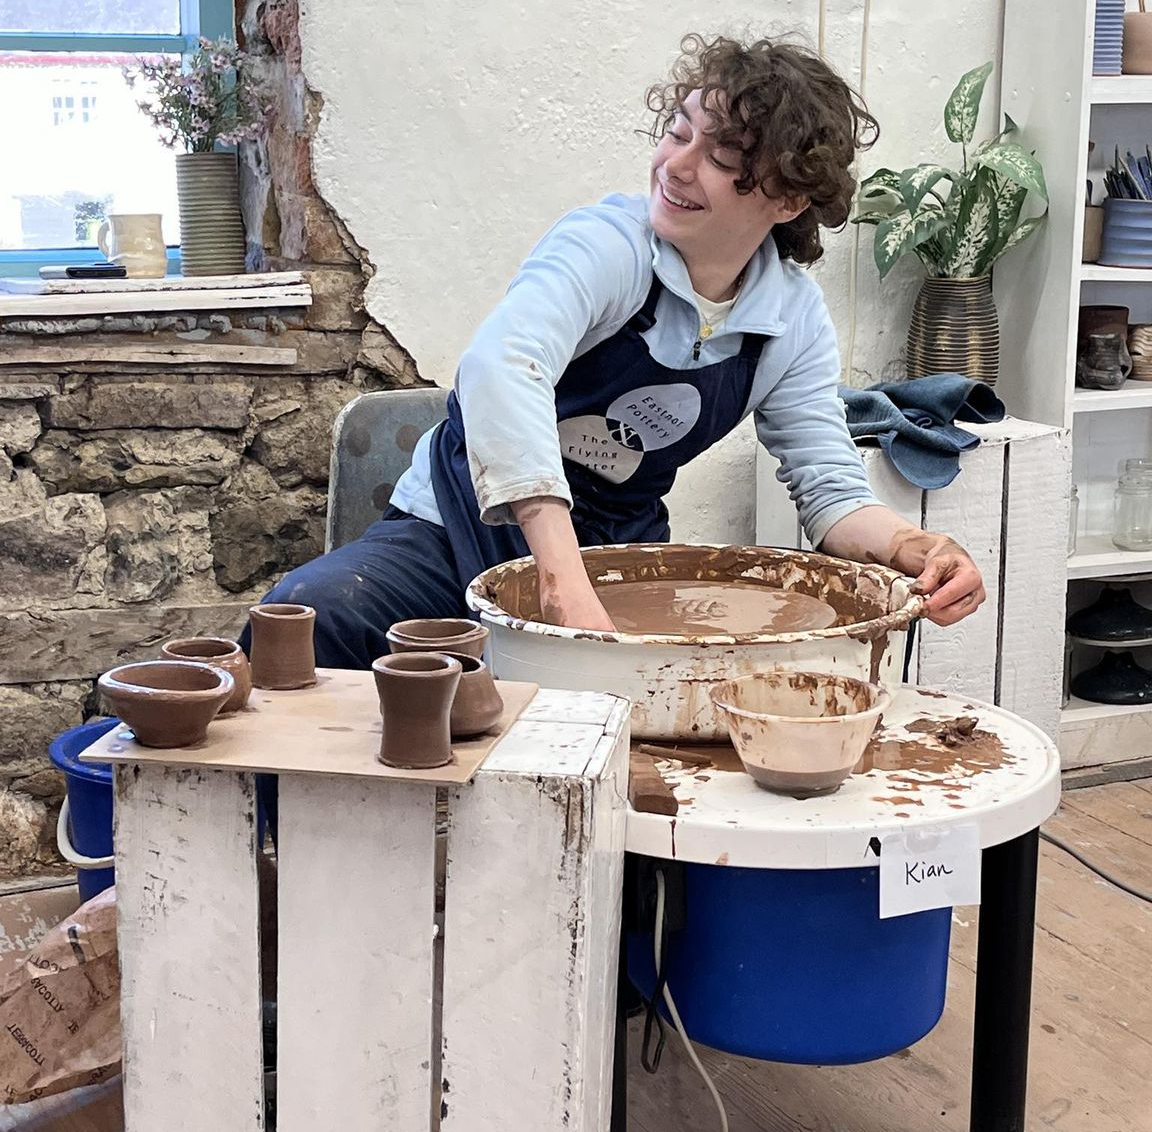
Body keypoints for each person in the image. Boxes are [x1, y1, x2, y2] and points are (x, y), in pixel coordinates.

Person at [262, 33, 985, 662]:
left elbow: (829, 491)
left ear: (789, 199)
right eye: (679, 132)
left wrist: (914, 549)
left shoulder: (788, 319)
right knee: (309, 614)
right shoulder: (609, 245)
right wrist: (558, 577)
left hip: (620, 556)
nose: (677, 165)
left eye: (722, 153)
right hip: (454, 531)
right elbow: (501, 366)